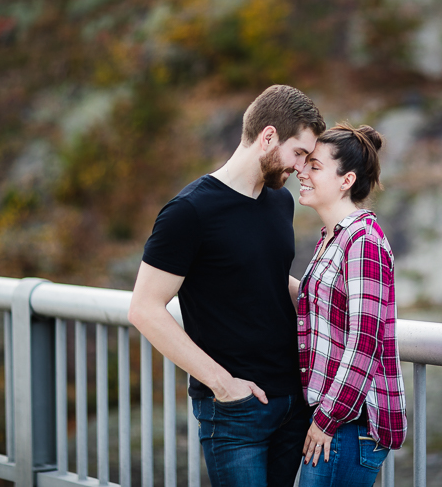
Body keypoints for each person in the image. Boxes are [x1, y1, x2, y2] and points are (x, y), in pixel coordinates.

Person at [127, 84, 326, 487]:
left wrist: (326, 300)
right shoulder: (190, 212)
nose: (302, 169)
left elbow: (264, 274)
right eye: (299, 154)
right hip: (236, 410)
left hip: (294, 398)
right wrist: (223, 384)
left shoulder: (279, 202)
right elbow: (144, 309)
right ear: (268, 137)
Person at [294, 123, 407, 487]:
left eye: (315, 166)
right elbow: (322, 305)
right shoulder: (331, 239)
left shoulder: (363, 242)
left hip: (348, 425)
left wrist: (327, 420)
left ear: (346, 180)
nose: (302, 172)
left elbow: (365, 342)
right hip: (333, 419)